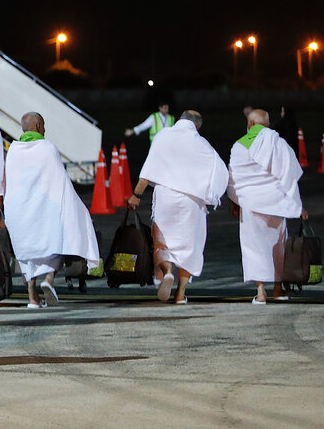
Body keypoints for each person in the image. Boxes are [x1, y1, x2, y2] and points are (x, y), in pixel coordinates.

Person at [127, 110, 229, 303]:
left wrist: (136, 195)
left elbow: (148, 169)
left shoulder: (163, 135)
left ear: (180, 120)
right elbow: (219, 169)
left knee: (162, 243)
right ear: (197, 126)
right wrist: (211, 195)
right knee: (190, 246)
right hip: (191, 201)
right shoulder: (202, 144)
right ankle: (181, 293)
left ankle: (167, 272)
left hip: (165, 196)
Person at [3, 113, 100, 309]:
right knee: (55, 243)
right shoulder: (47, 148)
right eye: (44, 126)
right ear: (38, 126)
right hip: (45, 208)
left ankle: (32, 296)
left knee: (27, 253)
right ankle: (48, 279)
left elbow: (10, 183)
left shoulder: (13, 150)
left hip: (20, 212)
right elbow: (61, 183)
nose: (45, 130)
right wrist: (78, 208)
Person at [227, 109, 307, 304]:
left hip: (251, 204)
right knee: (278, 246)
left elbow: (233, 178)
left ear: (251, 124)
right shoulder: (278, 143)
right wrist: (297, 205)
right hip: (276, 204)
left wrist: (234, 201)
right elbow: (290, 174)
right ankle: (278, 289)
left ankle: (261, 292)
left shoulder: (239, 145)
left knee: (253, 248)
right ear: (268, 124)